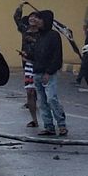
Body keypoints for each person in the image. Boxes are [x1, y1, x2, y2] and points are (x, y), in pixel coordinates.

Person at [32, 9, 67, 137]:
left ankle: (61, 124)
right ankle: (48, 126)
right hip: (37, 72)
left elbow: (57, 57)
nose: (37, 21)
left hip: (48, 74)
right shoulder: (39, 36)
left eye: (39, 19)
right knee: (42, 102)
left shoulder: (54, 36)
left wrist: (49, 72)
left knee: (52, 98)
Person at [13, 3, 40, 128]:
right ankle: (34, 119)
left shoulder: (43, 32)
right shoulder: (25, 29)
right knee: (29, 90)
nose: (32, 19)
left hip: (40, 64)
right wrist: (20, 7)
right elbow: (16, 18)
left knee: (46, 93)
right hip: (28, 63)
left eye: (35, 17)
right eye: (30, 17)